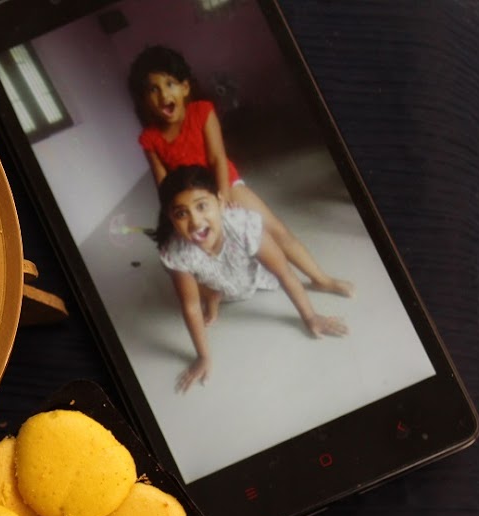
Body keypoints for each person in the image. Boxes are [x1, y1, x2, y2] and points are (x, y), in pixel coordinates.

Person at [127, 45, 353, 298]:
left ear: (185, 88)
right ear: (145, 99)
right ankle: (217, 292)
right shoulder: (149, 139)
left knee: (276, 230)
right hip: (191, 200)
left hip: (225, 185)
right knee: (186, 252)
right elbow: (163, 183)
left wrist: (222, 196)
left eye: (169, 84)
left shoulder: (202, 112)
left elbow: (217, 158)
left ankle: (320, 279)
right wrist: (175, 216)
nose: (162, 95)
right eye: (153, 89)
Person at [152, 165, 348, 393]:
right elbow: (191, 306)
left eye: (202, 206)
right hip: (217, 285)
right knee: (184, 277)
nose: (195, 222)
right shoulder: (177, 251)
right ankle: (213, 296)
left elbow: (283, 272)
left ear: (220, 201)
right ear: (171, 218)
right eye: (181, 213)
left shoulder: (242, 225)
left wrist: (310, 316)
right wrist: (203, 357)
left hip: (252, 279)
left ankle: (214, 293)